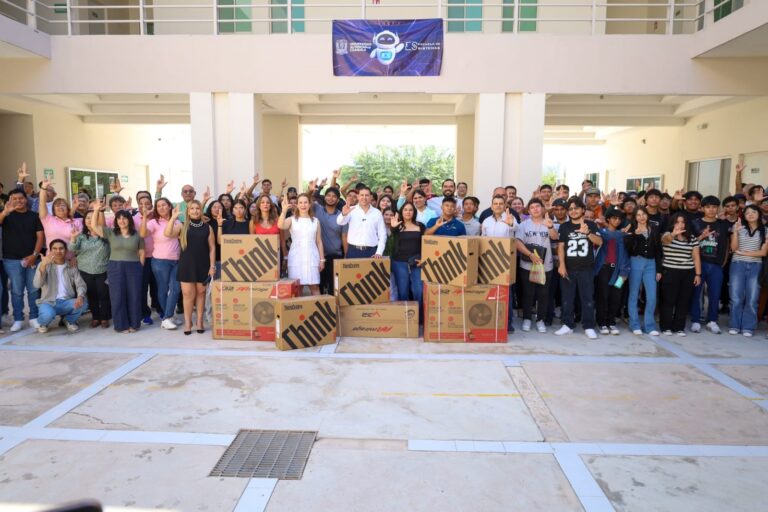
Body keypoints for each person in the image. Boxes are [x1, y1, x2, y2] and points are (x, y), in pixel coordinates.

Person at [90, 201, 145, 333]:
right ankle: (121, 325)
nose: (121, 221)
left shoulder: (137, 234)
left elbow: (142, 252)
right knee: (117, 296)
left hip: (134, 267)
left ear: (129, 220)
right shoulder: (111, 233)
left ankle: (134, 324)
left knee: (134, 296)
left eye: (124, 218)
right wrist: (96, 210)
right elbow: (94, 226)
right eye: (119, 218)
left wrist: (140, 267)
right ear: (116, 220)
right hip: (115, 267)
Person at [165, 200, 216, 335]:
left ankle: (199, 321)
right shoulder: (182, 226)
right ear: (188, 211)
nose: (195, 211)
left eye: (197, 208)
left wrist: (212, 266)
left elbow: (212, 248)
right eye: (192, 208)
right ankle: (188, 322)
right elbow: (168, 234)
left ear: (201, 210)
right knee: (187, 295)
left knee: (201, 294)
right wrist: (173, 218)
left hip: (203, 265)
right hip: (187, 265)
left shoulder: (208, 228)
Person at [556, 198, 602, 339]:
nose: (573, 211)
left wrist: (587, 233)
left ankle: (588, 326)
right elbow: (561, 247)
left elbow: (600, 242)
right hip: (569, 268)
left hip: (586, 268)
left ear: (583, 209)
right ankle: (567, 324)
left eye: (576, 208)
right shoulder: (564, 227)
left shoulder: (591, 224)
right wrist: (561, 265)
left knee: (587, 298)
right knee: (567, 298)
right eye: (570, 209)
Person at [0, 189, 44, 332]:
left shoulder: (34, 216)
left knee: (33, 290)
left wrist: (34, 255)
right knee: (17, 291)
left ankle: (34, 317)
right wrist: (5, 212)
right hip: (11, 260)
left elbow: (40, 236)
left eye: (21, 198)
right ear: (10, 200)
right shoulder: (6, 215)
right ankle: (18, 319)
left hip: (33, 259)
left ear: (26, 199)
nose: (18, 201)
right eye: (14, 198)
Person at [515, 199, 559, 333]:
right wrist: (530, 255)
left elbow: (555, 237)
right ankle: (527, 318)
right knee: (528, 293)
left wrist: (550, 227)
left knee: (543, 294)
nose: (535, 209)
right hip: (527, 264)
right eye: (532, 207)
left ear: (542, 209)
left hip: (546, 265)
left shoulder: (549, 222)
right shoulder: (523, 225)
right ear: (528, 211)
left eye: (537, 206)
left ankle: (540, 320)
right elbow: (517, 242)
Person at [690, 196, 730, 334]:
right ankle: (695, 320)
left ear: (718, 208)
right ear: (702, 208)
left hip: (716, 264)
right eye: (708, 207)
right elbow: (690, 242)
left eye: (714, 207)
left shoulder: (723, 224)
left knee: (715, 294)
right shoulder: (695, 223)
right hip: (699, 263)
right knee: (696, 293)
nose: (711, 210)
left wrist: (724, 259)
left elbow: (727, 243)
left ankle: (712, 320)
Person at [140, 198, 182, 331]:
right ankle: (167, 317)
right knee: (163, 289)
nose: (161, 208)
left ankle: (168, 316)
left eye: (164, 205)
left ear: (169, 206)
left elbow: (172, 235)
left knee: (175, 289)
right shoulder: (153, 222)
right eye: (158, 206)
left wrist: (173, 219)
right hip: (160, 261)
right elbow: (142, 233)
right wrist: (145, 217)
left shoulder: (177, 221)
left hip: (176, 260)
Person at [32, 239, 88, 333]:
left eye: (61, 248)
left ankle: (68, 320)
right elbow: (37, 284)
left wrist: (80, 296)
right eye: (55, 248)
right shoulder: (44, 264)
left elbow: (80, 284)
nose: (58, 251)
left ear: (66, 250)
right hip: (48, 302)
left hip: (66, 301)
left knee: (84, 304)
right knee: (48, 314)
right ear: (50, 251)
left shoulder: (71, 265)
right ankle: (43, 323)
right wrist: (43, 265)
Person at [660, 212, 701, 336]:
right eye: (677, 222)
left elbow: (696, 256)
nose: (680, 224)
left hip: (688, 272)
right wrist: (674, 234)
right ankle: (666, 327)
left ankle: (679, 327)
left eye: (683, 222)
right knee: (668, 300)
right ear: (672, 223)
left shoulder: (692, 238)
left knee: (683, 301)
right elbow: (665, 240)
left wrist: (698, 274)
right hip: (670, 271)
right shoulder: (667, 235)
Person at [729, 206, 768, 337]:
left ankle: (748, 327)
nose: (750, 214)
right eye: (747, 213)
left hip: (756, 266)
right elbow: (734, 248)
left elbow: (763, 252)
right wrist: (735, 232)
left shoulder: (766, 230)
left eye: (754, 212)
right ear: (744, 216)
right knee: (736, 297)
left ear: (759, 214)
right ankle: (734, 325)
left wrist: (744, 253)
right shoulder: (739, 228)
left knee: (752, 298)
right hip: (737, 264)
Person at [70, 208, 112, 329]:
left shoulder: (105, 235)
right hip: (85, 270)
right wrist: (73, 238)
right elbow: (72, 249)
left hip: (103, 270)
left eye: (93, 217)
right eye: (87, 218)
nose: (89, 220)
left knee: (104, 295)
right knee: (92, 295)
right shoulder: (81, 236)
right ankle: (95, 317)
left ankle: (104, 317)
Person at [624, 206, 662, 336]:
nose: (641, 217)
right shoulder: (631, 229)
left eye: (643, 214)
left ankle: (649, 326)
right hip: (636, 262)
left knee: (652, 296)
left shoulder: (654, 229)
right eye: (638, 215)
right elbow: (627, 248)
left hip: (651, 264)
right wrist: (635, 235)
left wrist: (659, 270)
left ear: (647, 215)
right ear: (635, 217)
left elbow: (658, 250)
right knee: (633, 294)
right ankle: (634, 324)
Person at [594, 207, 630, 336]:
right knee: (603, 296)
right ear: (608, 219)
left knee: (616, 296)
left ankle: (611, 322)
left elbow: (625, 255)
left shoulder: (623, 235)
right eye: (614, 218)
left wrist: (624, 273)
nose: (617, 221)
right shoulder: (601, 232)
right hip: (604, 270)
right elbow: (606, 237)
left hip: (619, 271)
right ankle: (602, 323)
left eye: (619, 219)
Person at [279, 193, 324, 294]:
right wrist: (284, 211)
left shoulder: (315, 221)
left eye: (305, 202)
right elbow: (281, 225)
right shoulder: (292, 219)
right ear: (297, 205)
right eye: (300, 203)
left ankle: (317, 305)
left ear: (310, 204)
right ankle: (299, 305)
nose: (303, 205)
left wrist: (322, 260)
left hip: (312, 256)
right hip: (296, 257)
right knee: (297, 287)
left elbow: (319, 241)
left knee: (314, 286)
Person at [391, 202, 425, 312]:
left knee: (418, 290)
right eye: (405, 210)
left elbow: (426, 244)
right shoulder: (397, 225)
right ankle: (405, 317)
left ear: (414, 212)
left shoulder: (420, 226)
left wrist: (423, 258)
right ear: (401, 212)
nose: (408, 212)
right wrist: (394, 227)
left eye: (410, 210)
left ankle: (419, 317)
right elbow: (392, 234)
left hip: (416, 262)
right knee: (403, 291)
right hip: (399, 262)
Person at [313, 187, 347, 295]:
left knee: (334, 287)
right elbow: (306, 199)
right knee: (319, 285)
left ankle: (333, 305)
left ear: (338, 200)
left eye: (334, 196)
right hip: (318, 256)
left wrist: (346, 256)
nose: (330, 198)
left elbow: (344, 237)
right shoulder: (317, 209)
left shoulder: (342, 216)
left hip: (335, 255)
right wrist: (311, 190)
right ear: (324, 197)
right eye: (328, 195)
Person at [337, 187, 387, 259]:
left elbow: (382, 234)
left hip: (372, 251)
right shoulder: (351, 210)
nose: (364, 197)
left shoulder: (377, 213)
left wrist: (379, 252)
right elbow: (340, 222)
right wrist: (343, 214)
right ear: (358, 196)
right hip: (353, 250)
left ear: (371, 197)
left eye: (367, 195)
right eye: (362, 195)